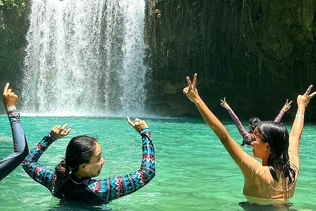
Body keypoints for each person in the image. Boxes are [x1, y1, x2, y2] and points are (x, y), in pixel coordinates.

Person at [183, 73, 314, 204]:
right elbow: (295, 135)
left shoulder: (256, 172)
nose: (252, 142)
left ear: (268, 146)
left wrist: (197, 100)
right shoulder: (292, 171)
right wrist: (301, 106)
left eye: (256, 139)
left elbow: (223, 135)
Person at [21, 117, 155, 203]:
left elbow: (27, 163)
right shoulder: (102, 189)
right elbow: (147, 172)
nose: (103, 161)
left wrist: (50, 138)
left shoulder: (55, 180)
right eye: (98, 158)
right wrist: (145, 133)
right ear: (84, 166)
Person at [220, 98, 292, 146]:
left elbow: (237, 121)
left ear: (250, 127)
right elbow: (275, 123)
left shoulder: (247, 137)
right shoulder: (265, 134)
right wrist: (283, 110)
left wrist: (227, 107)